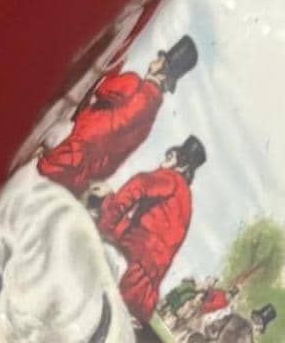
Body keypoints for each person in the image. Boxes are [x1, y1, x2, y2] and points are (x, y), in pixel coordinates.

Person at [36, 36, 198, 197]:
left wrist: (53, 162)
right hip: (73, 176)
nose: (155, 60)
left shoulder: (136, 88)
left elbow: (96, 134)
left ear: (163, 72)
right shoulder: (149, 112)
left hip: (61, 165)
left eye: (160, 59)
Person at [96, 134, 207, 323]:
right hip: (143, 290)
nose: (166, 158)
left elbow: (138, 184)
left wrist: (105, 220)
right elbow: (150, 231)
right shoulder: (186, 201)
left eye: (173, 156)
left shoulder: (171, 179)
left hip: (131, 266)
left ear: (182, 166)